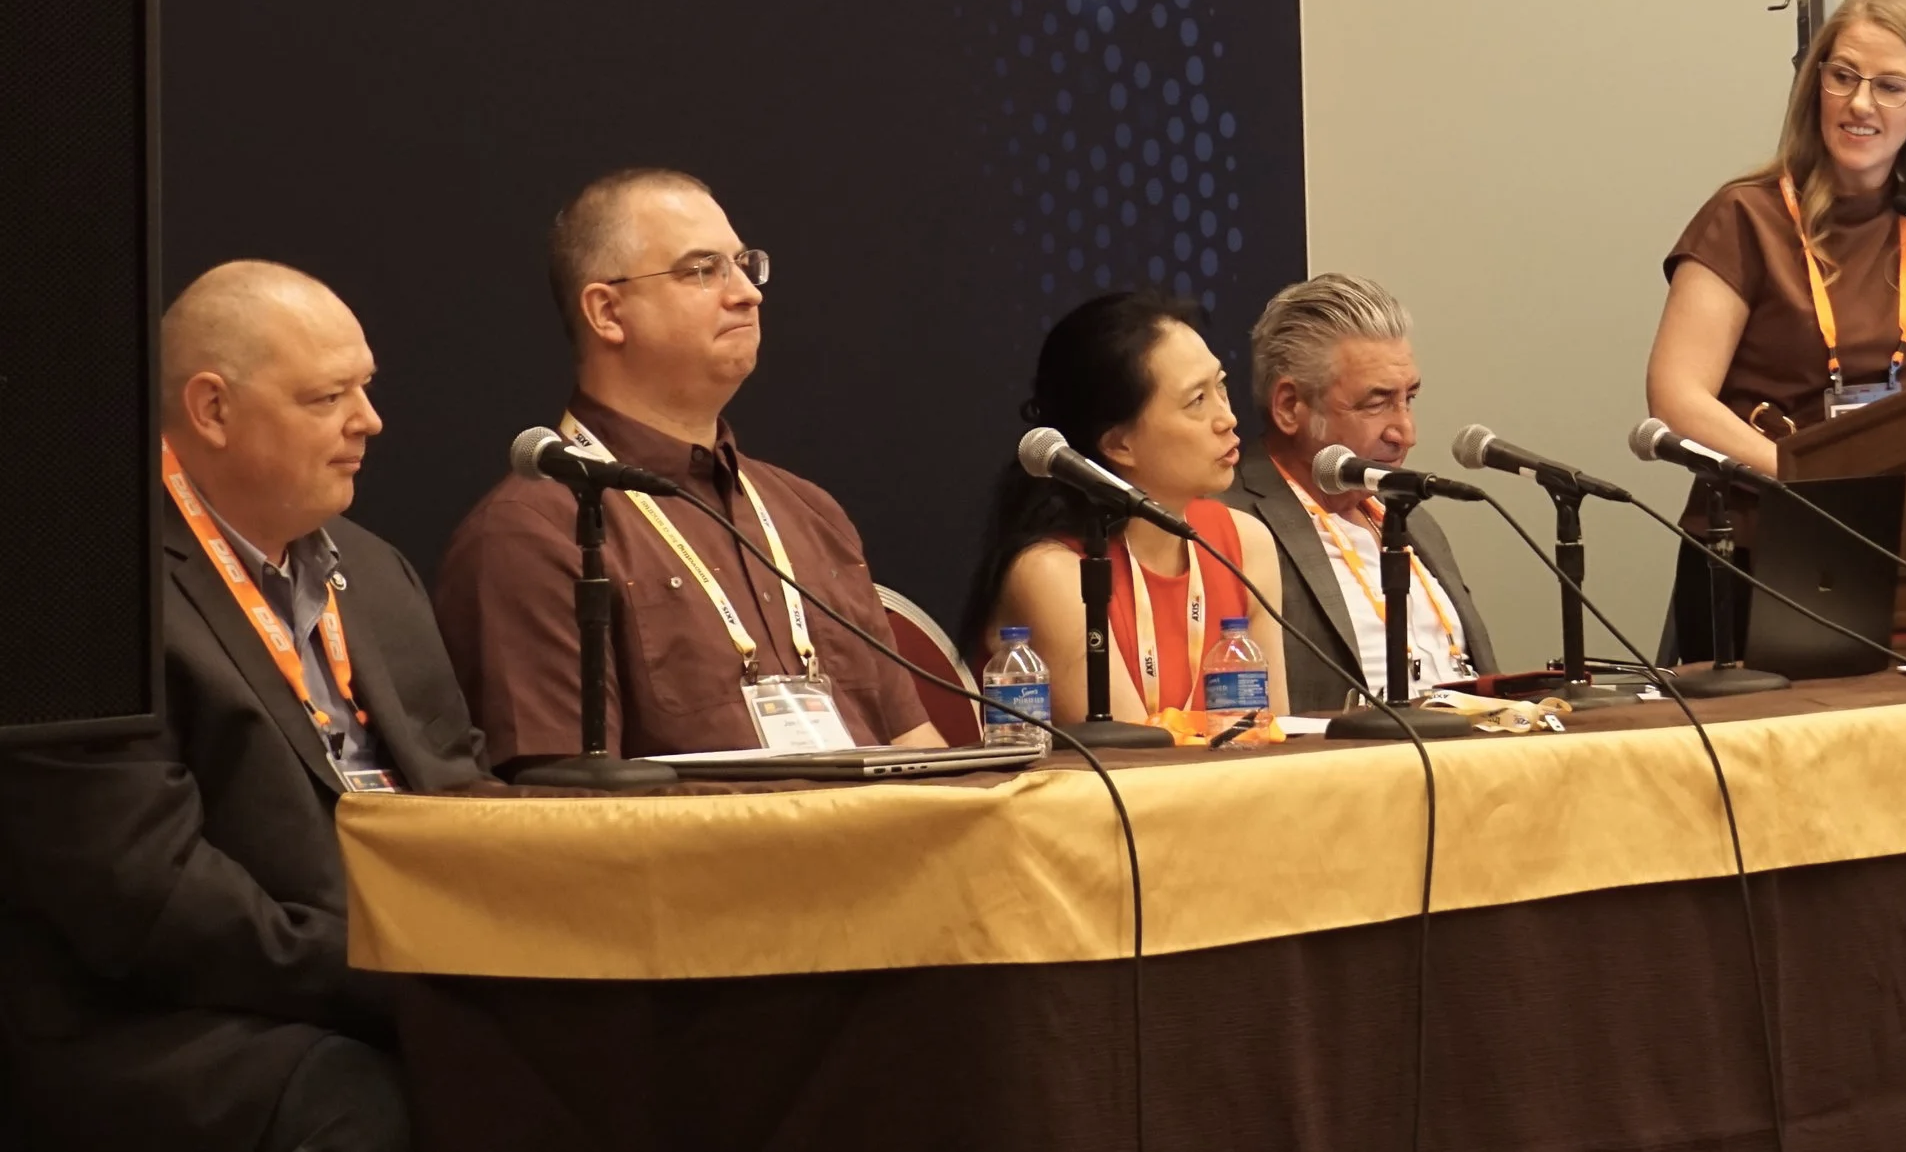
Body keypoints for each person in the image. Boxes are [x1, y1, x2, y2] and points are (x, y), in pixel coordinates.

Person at [0, 261, 489, 1152]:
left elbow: (459, 787)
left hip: (391, 971)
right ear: (212, 409)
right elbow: (148, 900)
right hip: (165, 1019)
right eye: (327, 396)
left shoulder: (374, 570)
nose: (369, 419)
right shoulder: (84, 586)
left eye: (365, 387)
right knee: (369, 1100)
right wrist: (401, 979)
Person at [432, 169, 940, 770]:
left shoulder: (809, 511)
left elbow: (916, 748)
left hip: (874, 828)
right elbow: (564, 805)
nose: (747, 294)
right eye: (702, 270)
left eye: (744, 265)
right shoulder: (534, 531)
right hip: (718, 835)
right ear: (608, 312)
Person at [1644, 0, 1906, 660]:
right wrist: (1808, 479)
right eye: (1843, 76)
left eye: (1890, 86)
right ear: (1815, 87)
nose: (1860, 103)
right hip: (1761, 554)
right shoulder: (1745, 217)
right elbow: (1676, 396)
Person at [962, 290, 1288, 726]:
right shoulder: (1053, 573)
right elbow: (1131, 758)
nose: (1227, 418)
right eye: (1196, 400)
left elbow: (1273, 734)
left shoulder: (1244, 543)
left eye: (1221, 385)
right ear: (1119, 444)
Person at [1224, 273, 1498, 714]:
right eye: (1376, 403)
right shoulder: (1230, 522)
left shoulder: (1412, 520)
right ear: (1290, 407)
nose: (1405, 432)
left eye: (1409, 398)